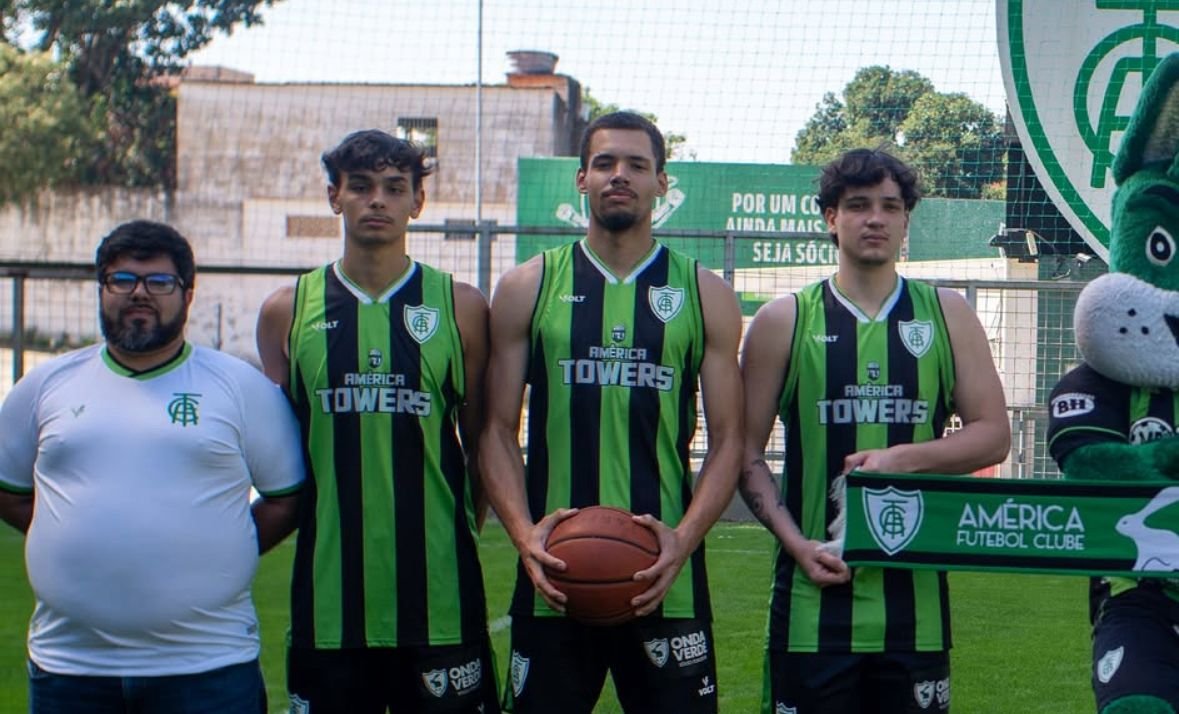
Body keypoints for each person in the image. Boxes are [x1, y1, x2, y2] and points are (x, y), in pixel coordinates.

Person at [480, 111, 743, 714]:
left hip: (665, 581)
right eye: (604, 163)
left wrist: (683, 540)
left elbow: (730, 440)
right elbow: (495, 428)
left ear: (662, 185)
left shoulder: (705, 293)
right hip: (553, 574)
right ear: (581, 180)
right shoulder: (529, 286)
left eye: (636, 165)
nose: (619, 176)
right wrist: (525, 536)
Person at [738, 148, 1010, 714]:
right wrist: (798, 545)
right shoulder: (783, 320)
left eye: (891, 206)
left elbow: (992, 436)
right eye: (858, 205)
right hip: (812, 602)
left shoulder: (946, 313)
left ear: (907, 219)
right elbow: (744, 455)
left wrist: (901, 459)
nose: (876, 219)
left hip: (916, 608)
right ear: (830, 217)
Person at [0, 220, 304, 713]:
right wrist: (75, 534)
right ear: (101, 289)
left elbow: (286, 497)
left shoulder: (241, 388)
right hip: (70, 668)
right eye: (123, 280)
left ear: (187, 293)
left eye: (159, 282)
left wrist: (224, 546)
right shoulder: (45, 386)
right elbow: (9, 490)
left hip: (207, 668)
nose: (139, 294)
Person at [255, 129, 497, 713]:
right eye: (360, 187)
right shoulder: (287, 310)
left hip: (441, 593)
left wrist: (462, 523)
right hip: (329, 601)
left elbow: (485, 436)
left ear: (418, 202)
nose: (377, 201)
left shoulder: (459, 306)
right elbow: (283, 454)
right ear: (334, 197)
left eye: (395, 187)